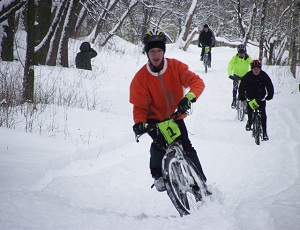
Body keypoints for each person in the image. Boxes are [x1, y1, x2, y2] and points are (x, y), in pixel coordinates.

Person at [129, 28, 207, 192]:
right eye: (152, 51)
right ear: (147, 54)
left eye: (159, 50)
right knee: (158, 145)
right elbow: (139, 107)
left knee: (186, 147)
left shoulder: (175, 67)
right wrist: (139, 123)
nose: (156, 55)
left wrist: (189, 97)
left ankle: (201, 182)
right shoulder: (141, 78)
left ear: (163, 51)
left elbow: (197, 82)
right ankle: (158, 176)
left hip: (175, 117)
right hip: (154, 120)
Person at [238, 60, 274, 141]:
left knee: (263, 114)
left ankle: (264, 132)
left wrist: (270, 95)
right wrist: (241, 96)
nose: (256, 70)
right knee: (250, 110)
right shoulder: (248, 76)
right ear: (252, 69)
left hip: (261, 97)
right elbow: (242, 86)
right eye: (254, 69)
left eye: (258, 68)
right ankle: (250, 122)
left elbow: (269, 85)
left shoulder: (264, 75)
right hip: (251, 97)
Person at [227, 44, 253, 109]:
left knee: (247, 89)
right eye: (240, 53)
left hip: (245, 76)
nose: (241, 54)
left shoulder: (248, 58)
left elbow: (253, 66)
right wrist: (230, 75)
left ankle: (247, 103)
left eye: (242, 53)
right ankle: (234, 99)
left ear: (245, 52)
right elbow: (230, 66)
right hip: (236, 76)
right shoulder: (235, 58)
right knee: (235, 87)